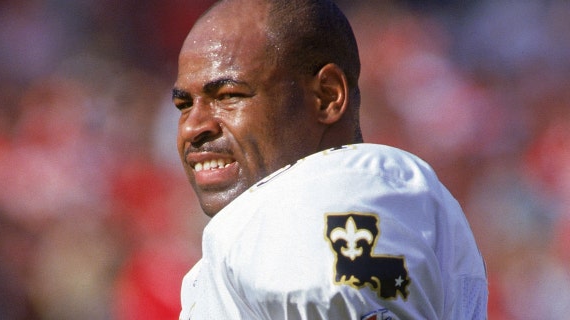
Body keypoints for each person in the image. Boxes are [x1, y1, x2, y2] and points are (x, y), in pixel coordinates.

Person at [172, 0, 488, 318]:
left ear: (327, 95)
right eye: (184, 105)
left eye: (228, 96)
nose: (193, 127)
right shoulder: (399, 198)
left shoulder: (328, 198)